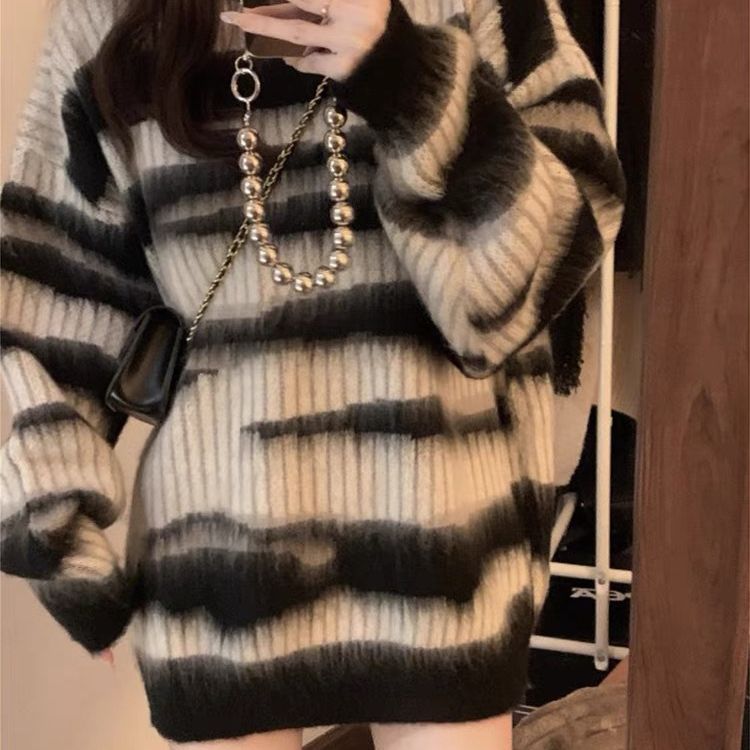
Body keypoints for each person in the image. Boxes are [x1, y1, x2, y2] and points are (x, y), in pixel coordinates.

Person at [0, 0, 625, 748]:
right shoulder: (107, 15)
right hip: (218, 553)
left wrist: (408, 76)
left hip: (445, 541)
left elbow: (554, 254)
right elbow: (54, 276)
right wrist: (53, 521)